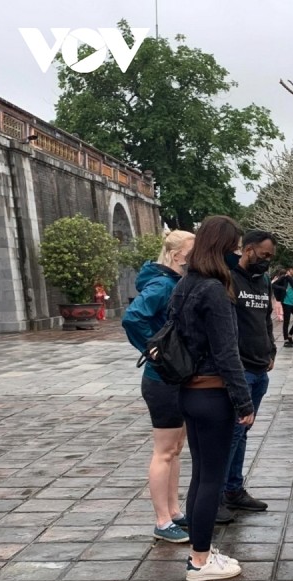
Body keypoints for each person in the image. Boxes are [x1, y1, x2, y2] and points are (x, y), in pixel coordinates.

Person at [171, 215, 254, 581]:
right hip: (213, 393)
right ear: (222, 248)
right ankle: (200, 561)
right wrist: (244, 402)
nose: (238, 253)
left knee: (200, 476)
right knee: (211, 480)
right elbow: (226, 354)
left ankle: (198, 552)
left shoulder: (185, 284)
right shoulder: (215, 290)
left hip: (189, 392)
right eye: (235, 247)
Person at [122, 230, 195, 544]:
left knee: (175, 451)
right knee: (164, 452)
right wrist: (152, 349)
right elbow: (132, 317)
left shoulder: (174, 282)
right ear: (177, 254)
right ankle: (162, 520)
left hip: (174, 375)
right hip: (161, 378)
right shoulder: (163, 283)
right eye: (192, 251)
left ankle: (174, 511)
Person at [222, 230, 277, 522]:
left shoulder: (263, 281)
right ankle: (218, 494)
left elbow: (265, 318)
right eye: (264, 255)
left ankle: (234, 489)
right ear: (249, 249)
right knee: (231, 433)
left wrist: (271, 350)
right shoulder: (230, 278)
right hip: (240, 368)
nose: (266, 262)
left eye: (270, 258)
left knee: (242, 432)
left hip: (259, 367)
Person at [275, 264, 293, 347]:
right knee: (286, 321)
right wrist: (283, 289)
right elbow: (274, 285)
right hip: (286, 302)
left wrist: (289, 278)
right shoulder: (283, 278)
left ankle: (290, 335)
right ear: (291, 270)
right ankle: (286, 340)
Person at [269, 268, 286, 333]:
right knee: (279, 305)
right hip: (279, 294)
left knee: (278, 305)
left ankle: (280, 316)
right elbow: (272, 284)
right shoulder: (278, 278)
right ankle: (280, 316)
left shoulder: (279, 278)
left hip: (278, 294)